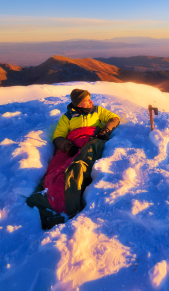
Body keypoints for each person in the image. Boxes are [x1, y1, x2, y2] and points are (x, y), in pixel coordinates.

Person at [27, 89, 120, 229]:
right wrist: (68, 147)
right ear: (79, 104)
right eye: (87, 100)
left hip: (91, 140)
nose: (91, 101)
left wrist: (105, 131)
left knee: (80, 163)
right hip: (71, 145)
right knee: (57, 169)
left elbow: (114, 118)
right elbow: (58, 137)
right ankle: (51, 199)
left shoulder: (98, 110)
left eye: (90, 98)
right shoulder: (67, 117)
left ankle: (68, 199)